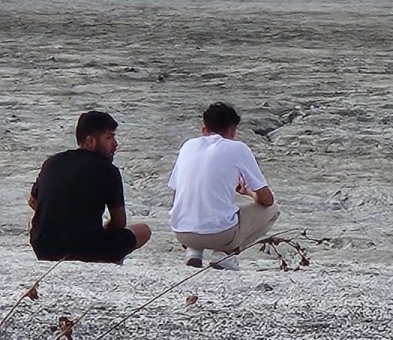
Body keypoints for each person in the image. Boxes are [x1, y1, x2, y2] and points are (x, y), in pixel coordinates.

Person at [28, 111, 152, 263]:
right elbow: (119, 222)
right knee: (143, 230)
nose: (115, 144)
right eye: (109, 137)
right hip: (87, 251)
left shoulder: (52, 162)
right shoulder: (108, 170)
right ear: (90, 141)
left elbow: (33, 202)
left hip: (44, 248)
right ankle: (112, 260)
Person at [168, 103, 279, 270]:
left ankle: (194, 251)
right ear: (232, 130)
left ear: (204, 129)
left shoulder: (188, 145)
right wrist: (249, 193)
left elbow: (177, 191)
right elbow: (267, 199)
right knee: (273, 209)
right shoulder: (238, 148)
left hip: (182, 232)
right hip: (220, 235)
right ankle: (225, 254)